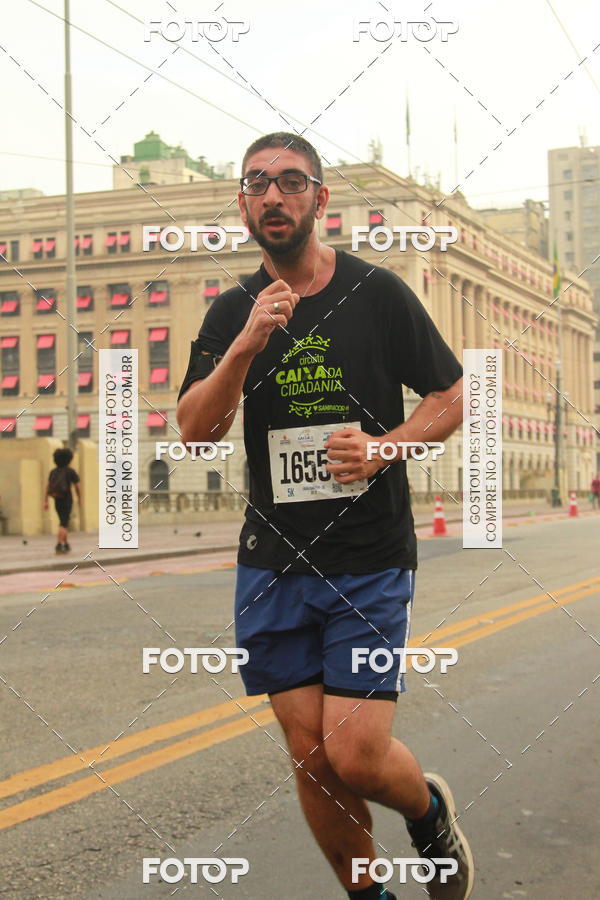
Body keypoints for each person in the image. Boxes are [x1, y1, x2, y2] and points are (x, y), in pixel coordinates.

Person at [177, 132, 473, 900]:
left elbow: (451, 396)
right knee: (310, 755)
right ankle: (367, 897)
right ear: (243, 203)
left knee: (356, 754)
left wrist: (385, 449)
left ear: (319, 200)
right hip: (272, 563)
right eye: (257, 183)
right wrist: (243, 346)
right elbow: (195, 430)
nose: (273, 196)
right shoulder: (230, 312)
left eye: (291, 182)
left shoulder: (377, 295)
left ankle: (429, 812)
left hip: (368, 556)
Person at [43, 447, 81, 554]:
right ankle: (59, 544)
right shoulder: (70, 471)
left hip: (56, 499)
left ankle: (66, 543)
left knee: (63, 520)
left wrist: (45, 501)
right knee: (64, 523)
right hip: (67, 499)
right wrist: (79, 498)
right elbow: (77, 486)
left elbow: (48, 487)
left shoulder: (53, 472)